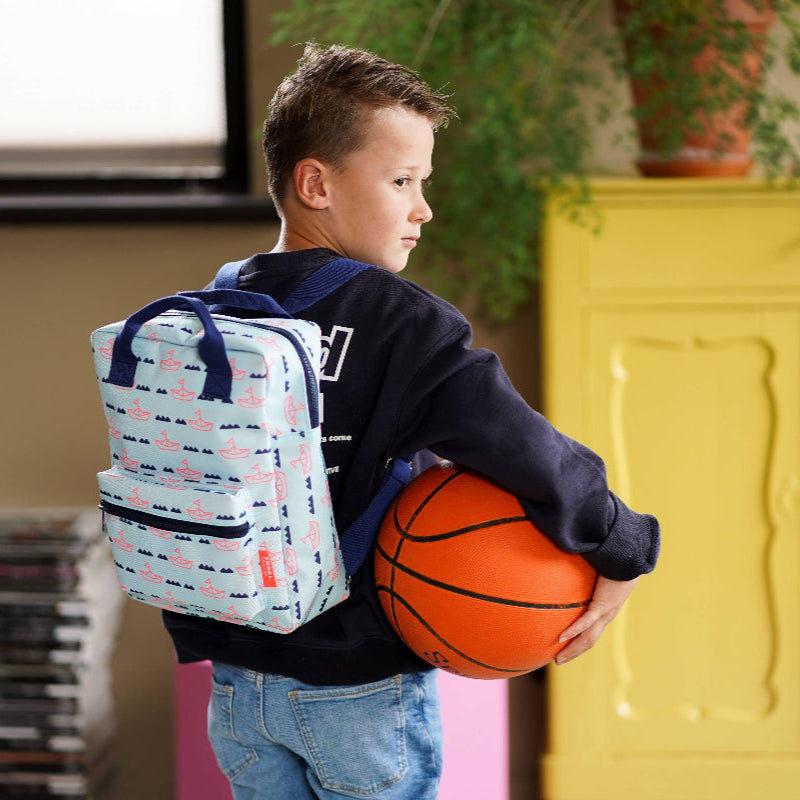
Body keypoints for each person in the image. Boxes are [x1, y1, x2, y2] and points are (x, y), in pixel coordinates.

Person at [162, 43, 660, 800]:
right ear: (316, 183)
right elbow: (523, 447)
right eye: (402, 181)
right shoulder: (403, 326)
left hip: (235, 683)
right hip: (356, 688)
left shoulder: (213, 310)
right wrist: (623, 543)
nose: (423, 207)